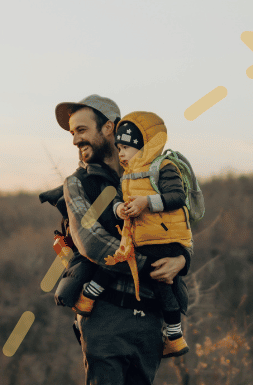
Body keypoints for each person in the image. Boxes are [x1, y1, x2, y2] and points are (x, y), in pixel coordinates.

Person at [54, 95, 188, 385]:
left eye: (82, 128)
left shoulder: (147, 171)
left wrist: (181, 257)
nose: (76, 138)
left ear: (111, 128)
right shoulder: (78, 184)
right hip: (106, 310)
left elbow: (180, 220)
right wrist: (140, 256)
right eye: (71, 132)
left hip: (150, 308)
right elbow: (90, 240)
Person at [74, 112, 191, 358]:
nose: (122, 153)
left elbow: (178, 197)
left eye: (126, 147)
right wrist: (119, 209)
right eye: (119, 148)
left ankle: (88, 296)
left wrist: (146, 203)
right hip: (144, 239)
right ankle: (175, 337)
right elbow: (118, 198)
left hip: (162, 240)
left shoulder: (163, 167)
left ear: (143, 146)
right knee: (163, 287)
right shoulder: (128, 175)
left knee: (118, 259)